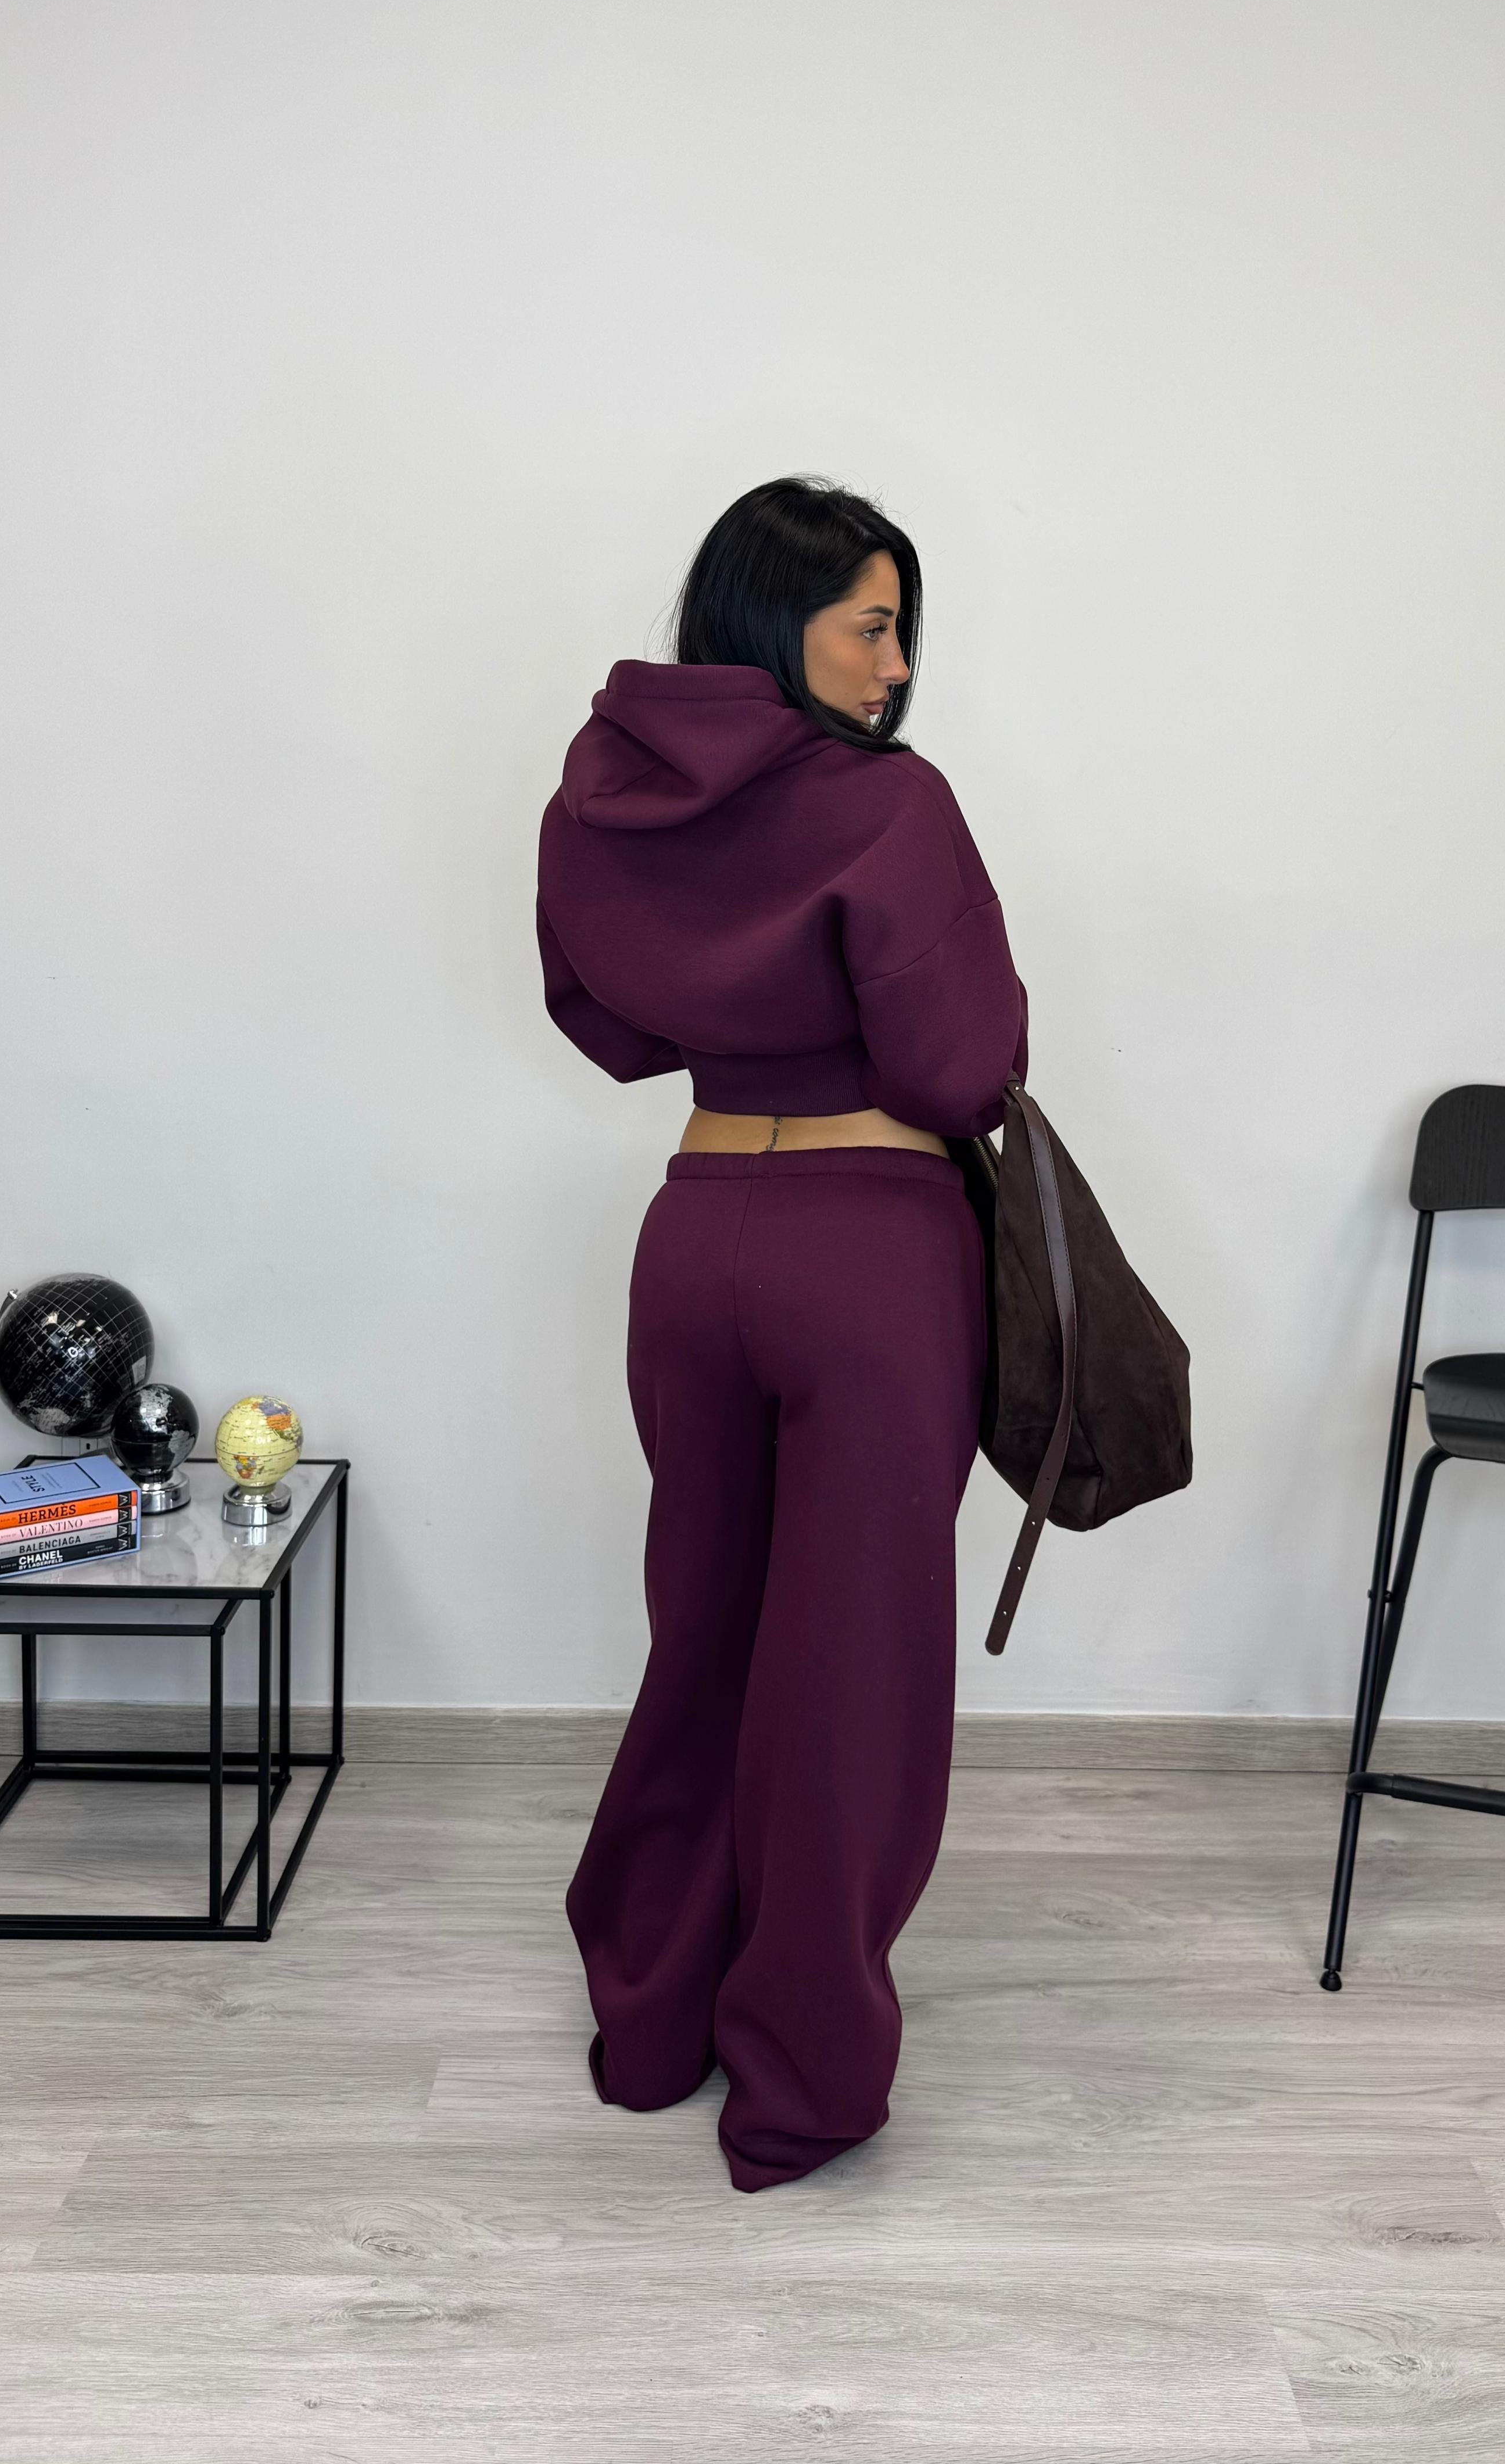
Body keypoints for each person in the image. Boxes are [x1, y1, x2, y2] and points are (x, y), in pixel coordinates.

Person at [535, 475, 1030, 2192]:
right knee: (849, 1681)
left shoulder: (599, 799)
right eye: (872, 628)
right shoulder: (890, 804)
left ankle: (651, 2019)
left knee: (710, 1639)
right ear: (780, 624)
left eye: (904, 634)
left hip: (692, 1241)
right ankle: (801, 2083)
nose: (897, 669)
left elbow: (604, 1022)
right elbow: (959, 1069)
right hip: (868, 1252)